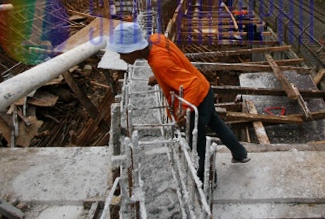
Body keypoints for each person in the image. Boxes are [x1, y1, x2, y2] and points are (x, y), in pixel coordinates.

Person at [107, 22, 250, 181]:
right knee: (216, 123)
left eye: (123, 53)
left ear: (135, 49)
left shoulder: (159, 63)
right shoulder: (157, 39)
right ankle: (240, 154)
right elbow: (174, 63)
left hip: (197, 99)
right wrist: (159, 78)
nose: (121, 57)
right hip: (205, 89)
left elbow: (190, 84)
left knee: (198, 144)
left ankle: (207, 179)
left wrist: (183, 110)